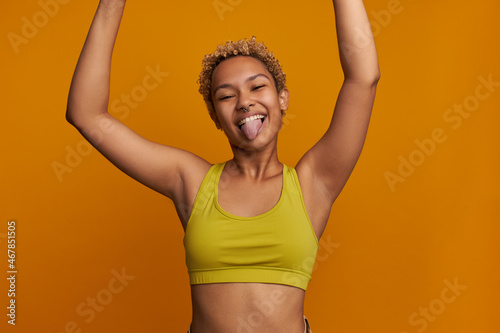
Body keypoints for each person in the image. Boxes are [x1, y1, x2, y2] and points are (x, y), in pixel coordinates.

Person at [66, 0, 380, 332]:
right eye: (226, 96)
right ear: (216, 117)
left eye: (257, 86)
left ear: (282, 98)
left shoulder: (313, 184)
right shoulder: (191, 181)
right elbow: (87, 115)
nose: (245, 101)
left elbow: (364, 78)